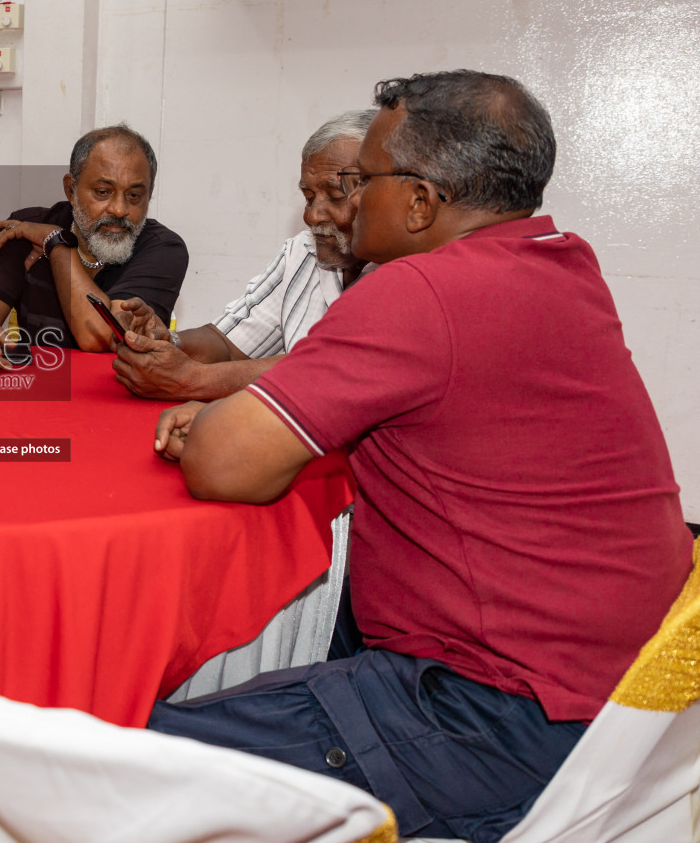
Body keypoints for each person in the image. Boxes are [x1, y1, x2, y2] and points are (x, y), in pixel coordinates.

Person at [147, 71, 693, 843]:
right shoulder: (562, 265)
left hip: (495, 713)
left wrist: (208, 425)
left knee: (126, 765)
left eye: (362, 180)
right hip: (619, 705)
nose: (347, 201)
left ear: (420, 202)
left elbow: (223, 466)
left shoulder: (419, 292)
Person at [111, 109, 376, 401]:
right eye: (309, 197)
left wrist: (193, 380)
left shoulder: (410, 274)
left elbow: (330, 367)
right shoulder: (302, 252)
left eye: (335, 197)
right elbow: (226, 341)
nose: (312, 216)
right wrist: (167, 341)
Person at [0, 125, 188, 366]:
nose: (119, 210)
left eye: (134, 196)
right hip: (40, 391)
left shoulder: (164, 249)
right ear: (71, 189)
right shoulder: (29, 229)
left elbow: (101, 336)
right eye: (103, 192)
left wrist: (57, 243)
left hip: (118, 394)